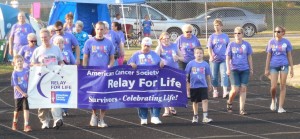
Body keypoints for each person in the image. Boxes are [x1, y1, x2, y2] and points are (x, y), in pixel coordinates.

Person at [83, 22, 115, 128]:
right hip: (93, 74)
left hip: (105, 74)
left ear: (105, 30)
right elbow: (86, 57)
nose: (100, 31)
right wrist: (85, 69)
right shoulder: (89, 42)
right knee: (93, 96)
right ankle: (94, 114)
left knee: (104, 97)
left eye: (102, 29)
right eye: (98, 29)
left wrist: (110, 66)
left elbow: (111, 58)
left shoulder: (109, 43)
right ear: (95, 29)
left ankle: (102, 118)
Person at [31, 28, 64, 129]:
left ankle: (57, 119)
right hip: (42, 80)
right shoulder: (37, 50)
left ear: (50, 37)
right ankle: (44, 120)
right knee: (42, 101)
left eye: (45, 37)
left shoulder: (56, 49)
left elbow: (61, 61)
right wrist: (38, 64)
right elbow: (32, 64)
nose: (44, 39)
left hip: (54, 78)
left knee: (55, 99)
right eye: (42, 38)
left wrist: (62, 65)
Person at [128, 37, 164, 125]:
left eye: (148, 46)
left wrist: (161, 63)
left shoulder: (154, 54)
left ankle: (155, 116)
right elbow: (129, 64)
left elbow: (160, 62)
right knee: (141, 99)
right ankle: (143, 117)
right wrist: (131, 64)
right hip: (140, 81)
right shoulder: (135, 55)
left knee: (156, 98)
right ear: (141, 45)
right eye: (145, 45)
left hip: (153, 81)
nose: (146, 47)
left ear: (151, 46)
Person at [264, 26, 294, 113]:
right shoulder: (271, 42)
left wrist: (292, 68)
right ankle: (273, 100)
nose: (276, 33)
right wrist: (266, 68)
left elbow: (289, 55)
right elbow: (268, 56)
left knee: (283, 85)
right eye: (275, 31)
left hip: (284, 65)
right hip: (274, 65)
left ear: (283, 33)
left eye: (278, 31)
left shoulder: (286, 42)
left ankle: (280, 107)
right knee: (273, 86)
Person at [226, 27, 253, 115]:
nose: (237, 35)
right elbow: (228, 57)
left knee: (243, 88)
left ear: (242, 34)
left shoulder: (247, 45)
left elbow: (249, 56)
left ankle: (242, 109)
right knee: (235, 89)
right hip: (234, 69)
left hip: (245, 69)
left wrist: (251, 68)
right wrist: (228, 68)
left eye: (239, 33)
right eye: (235, 33)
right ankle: (229, 102)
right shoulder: (231, 45)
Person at [155, 32, 183, 117]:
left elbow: (183, 57)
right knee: (165, 90)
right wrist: (159, 45)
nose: (166, 40)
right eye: (164, 39)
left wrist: (178, 57)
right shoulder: (160, 47)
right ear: (161, 39)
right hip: (164, 71)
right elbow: (155, 57)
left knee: (173, 89)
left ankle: (172, 106)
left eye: (168, 38)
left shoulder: (174, 46)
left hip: (174, 70)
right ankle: (166, 109)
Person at [185, 47, 213, 123]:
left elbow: (208, 75)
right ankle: (195, 116)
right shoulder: (190, 63)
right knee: (195, 102)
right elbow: (186, 74)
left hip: (203, 85)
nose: (199, 54)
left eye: (200, 53)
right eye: (197, 53)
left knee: (205, 100)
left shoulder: (205, 64)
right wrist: (187, 84)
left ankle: (205, 117)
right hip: (194, 86)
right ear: (194, 54)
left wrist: (209, 84)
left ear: (203, 54)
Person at [175, 24, 201, 99]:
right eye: (187, 32)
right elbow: (175, 49)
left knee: (191, 77)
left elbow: (198, 49)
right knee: (183, 76)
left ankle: (190, 91)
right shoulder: (180, 39)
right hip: (182, 60)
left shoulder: (195, 39)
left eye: (190, 31)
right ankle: (184, 91)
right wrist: (178, 57)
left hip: (192, 61)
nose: (189, 33)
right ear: (183, 32)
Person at [207, 19, 230, 98]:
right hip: (214, 60)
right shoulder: (212, 37)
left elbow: (228, 47)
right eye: (215, 25)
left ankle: (225, 91)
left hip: (223, 59)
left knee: (224, 74)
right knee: (214, 75)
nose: (216, 27)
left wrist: (229, 58)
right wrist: (211, 56)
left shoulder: (225, 36)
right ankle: (215, 90)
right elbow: (209, 47)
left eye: (218, 25)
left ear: (221, 26)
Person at [53, 36, 76, 117]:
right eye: (57, 43)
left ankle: (65, 110)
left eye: (61, 43)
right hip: (55, 76)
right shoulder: (52, 53)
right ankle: (57, 109)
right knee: (56, 93)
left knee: (66, 92)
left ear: (64, 44)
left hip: (67, 76)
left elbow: (74, 63)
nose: (59, 45)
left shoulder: (68, 52)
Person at [11, 55, 32, 132]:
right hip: (18, 95)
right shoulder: (15, 73)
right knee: (17, 111)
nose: (19, 62)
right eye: (18, 61)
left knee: (26, 109)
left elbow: (32, 77)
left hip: (25, 94)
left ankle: (26, 125)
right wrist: (22, 92)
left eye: (21, 61)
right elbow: (15, 85)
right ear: (15, 63)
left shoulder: (26, 70)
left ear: (23, 62)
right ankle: (14, 122)